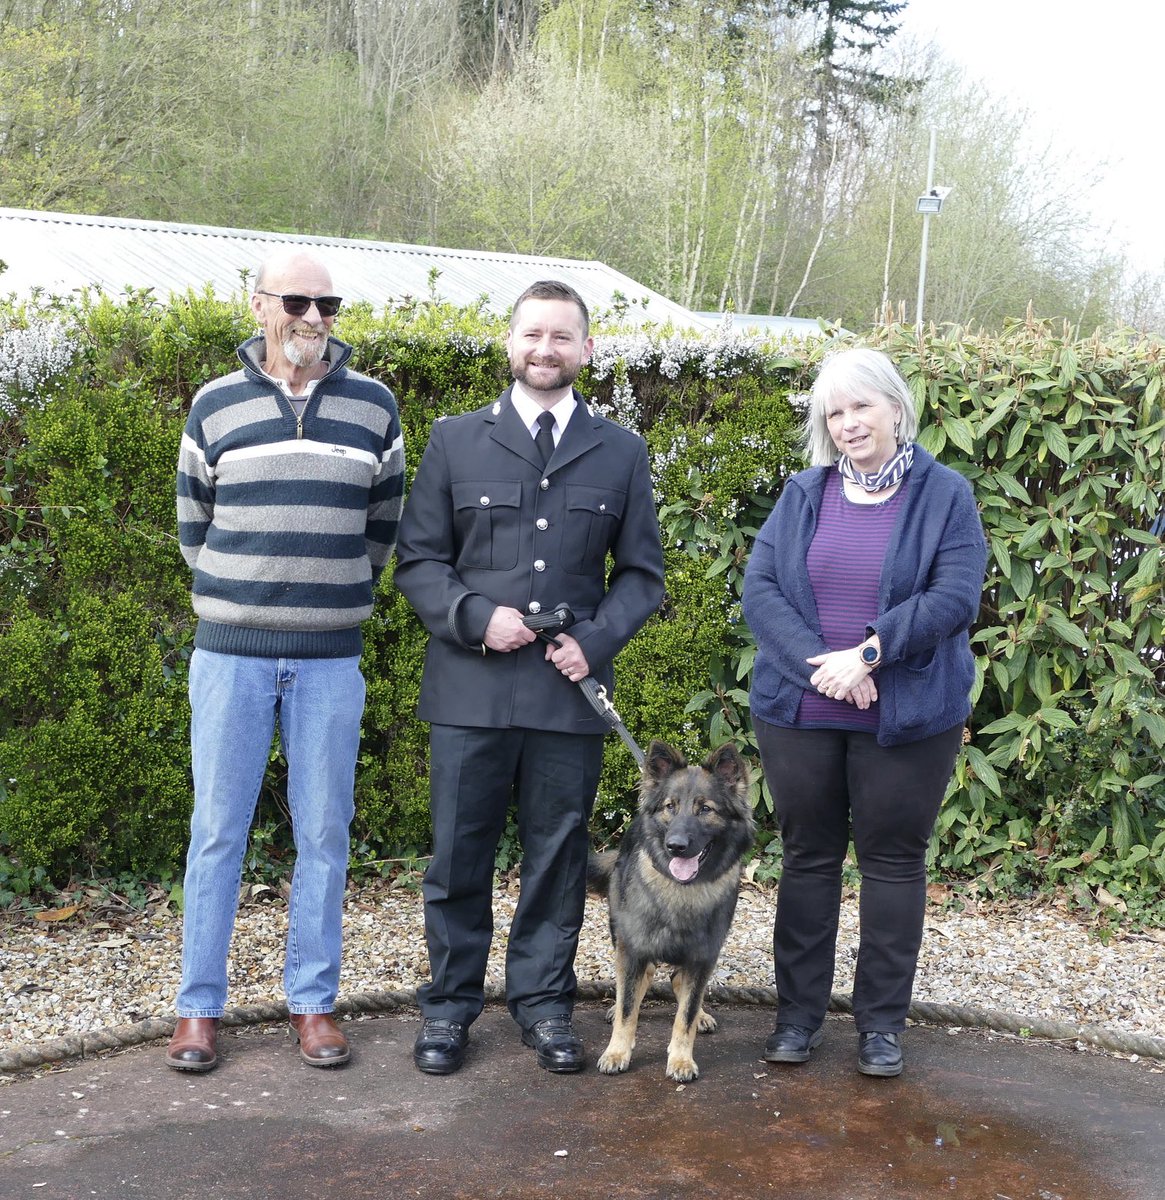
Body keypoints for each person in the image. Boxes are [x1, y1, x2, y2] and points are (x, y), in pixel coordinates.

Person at [394, 279, 664, 1076]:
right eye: (531, 335)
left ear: (587, 350)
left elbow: (641, 575)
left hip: (563, 691)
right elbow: (419, 561)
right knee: (458, 854)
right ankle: (447, 1008)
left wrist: (595, 639)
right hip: (470, 688)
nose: (544, 349)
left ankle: (544, 1005)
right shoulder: (454, 439)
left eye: (561, 337)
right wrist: (477, 616)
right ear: (509, 343)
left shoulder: (620, 450)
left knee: (555, 855)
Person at [168, 250, 405, 1073]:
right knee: (216, 834)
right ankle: (198, 1011)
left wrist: (326, 601)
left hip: (330, 662)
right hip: (230, 657)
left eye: (328, 303)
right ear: (260, 304)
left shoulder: (374, 407)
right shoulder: (216, 404)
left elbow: (383, 526)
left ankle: (313, 1003)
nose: (313, 316)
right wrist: (244, 603)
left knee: (324, 836)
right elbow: (193, 523)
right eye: (297, 300)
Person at [741, 347, 986, 1078]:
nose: (848, 423)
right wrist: (828, 668)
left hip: (907, 713)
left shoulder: (945, 493)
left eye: (861, 406)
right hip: (800, 708)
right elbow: (761, 592)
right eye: (834, 411)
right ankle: (796, 1020)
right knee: (808, 859)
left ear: (894, 407)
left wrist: (870, 656)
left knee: (891, 863)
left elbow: (955, 595)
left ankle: (880, 1027)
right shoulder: (803, 493)